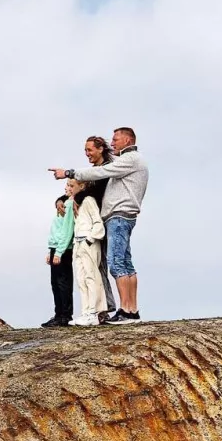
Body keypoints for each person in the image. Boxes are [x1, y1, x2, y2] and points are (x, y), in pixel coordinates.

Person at [50, 127, 148, 322]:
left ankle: (126, 311)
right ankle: (130, 309)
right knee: (126, 263)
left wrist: (69, 172)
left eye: (116, 139)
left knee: (116, 263)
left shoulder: (128, 160)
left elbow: (101, 173)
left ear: (127, 141)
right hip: (120, 215)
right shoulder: (129, 160)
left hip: (119, 216)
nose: (113, 143)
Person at [82, 136, 121, 318]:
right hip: (95, 220)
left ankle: (109, 306)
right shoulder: (95, 170)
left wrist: (79, 196)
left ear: (100, 149)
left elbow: (95, 193)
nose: (87, 154)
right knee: (98, 265)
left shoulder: (107, 169)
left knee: (107, 263)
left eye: (89, 150)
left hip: (104, 220)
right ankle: (105, 305)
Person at [66, 178, 107, 326]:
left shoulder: (88, 200)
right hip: (78, 242)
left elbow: (97, 221)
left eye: (72, 185)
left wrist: (90, 239)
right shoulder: (76, 202)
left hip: (88, 241)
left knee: (91, 276)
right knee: (81, 278)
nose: (69, 188)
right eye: (68, 185)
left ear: (82, 186)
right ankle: (86, 311)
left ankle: (94, 312)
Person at [42, 194, 74, 328]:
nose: (67, 189)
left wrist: (59, 251)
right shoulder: (63, 203)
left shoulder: (70, 205)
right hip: (56, 247)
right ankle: (58, 314)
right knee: (55, 283)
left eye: (70, 186)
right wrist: (51, 249)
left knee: (63, 283)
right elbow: (56, 230)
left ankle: (65, 316)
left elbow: (67, 231)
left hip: (63, 248)